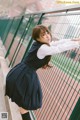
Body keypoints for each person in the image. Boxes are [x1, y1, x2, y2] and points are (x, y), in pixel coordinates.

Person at [5, 25, 80, 120]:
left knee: (25, 104)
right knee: (26, 105)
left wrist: (74, 40)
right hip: (25, 75)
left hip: (22, 72)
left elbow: (57, 43)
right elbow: (58, 48)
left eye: (47, 32)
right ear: (38, 38)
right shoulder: (42, 48)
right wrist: (76, 44)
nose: (47, 35)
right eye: (43, 35)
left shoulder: (40, 44)